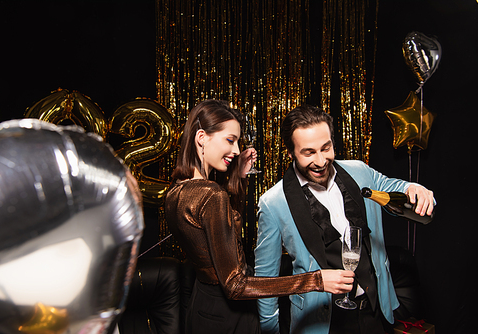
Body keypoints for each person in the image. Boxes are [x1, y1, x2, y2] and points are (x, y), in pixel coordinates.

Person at [164, 100, 356, 334]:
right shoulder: (211, 194)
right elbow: (235, 285)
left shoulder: (177, 189)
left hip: (202, 306)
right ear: (202, 137)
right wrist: (315, 281)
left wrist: (238, 178)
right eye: (230, 140)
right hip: (229, 316)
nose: (236, 150)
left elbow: (220, 240)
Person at [254, 105, 435, 334]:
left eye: (326, 148)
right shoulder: (273, 202)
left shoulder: (359, 171)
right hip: (321, 323)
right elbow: (264, 280)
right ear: (291, 153)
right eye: (309, 152)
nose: (320, 161)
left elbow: (396, 189)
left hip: (375, 311)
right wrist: (270, 330)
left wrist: (415, 187)